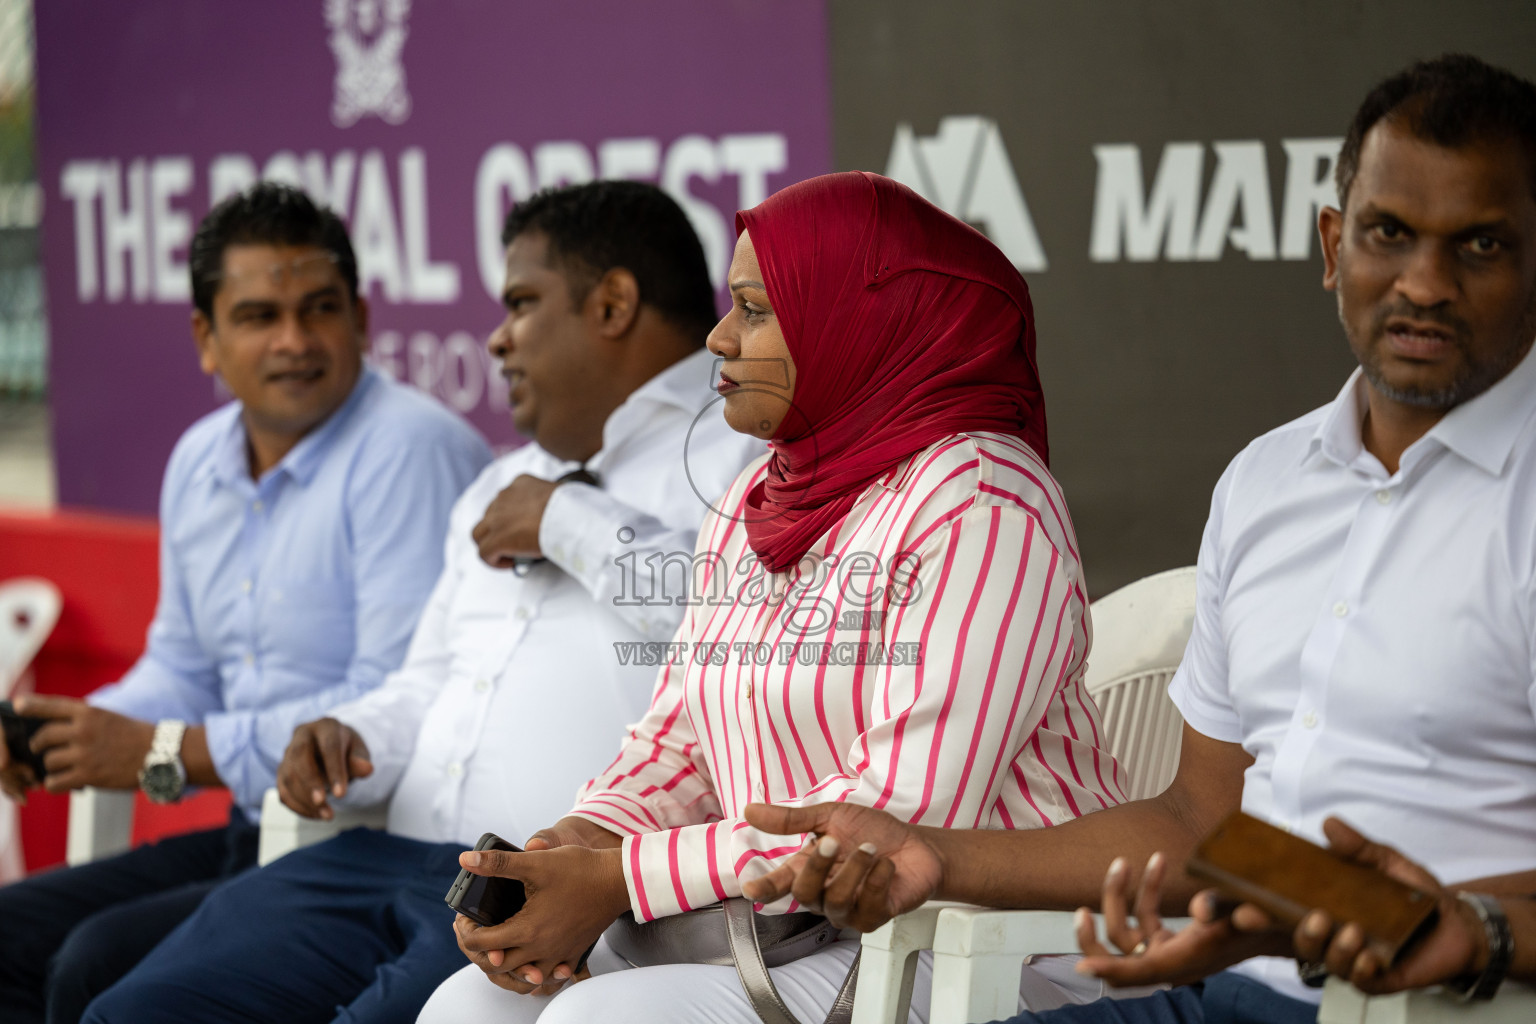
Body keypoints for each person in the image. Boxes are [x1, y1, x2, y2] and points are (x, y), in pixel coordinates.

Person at [741, 53, 1536, 1024]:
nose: (1426, 281)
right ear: (1334, 246)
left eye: (1482, 246)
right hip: (1238, 991)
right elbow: (1199, 822)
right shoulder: (1267, 482)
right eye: (1389, 233)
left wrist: (1472, 927)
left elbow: (1416, 918)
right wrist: (936, 853)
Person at [417, 170, 1124, 1024]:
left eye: (754, 309)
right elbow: (678, 745)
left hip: (996, 953)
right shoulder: (762, 497)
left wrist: (619, 878)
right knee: (468, 1008)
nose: (719, 337)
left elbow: (894, 822)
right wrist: (584, 840)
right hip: (799, 937)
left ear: (856, 321)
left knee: (596, 1021)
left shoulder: (981, 498)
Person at [79, 180, 765, 1024]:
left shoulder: (741, 454)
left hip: (546, 886)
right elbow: (427, 680)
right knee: (137, 1008)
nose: (498, 338)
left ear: (614, 303)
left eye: (520, 303)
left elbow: (744, 623)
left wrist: (567, 520)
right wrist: (354, 734)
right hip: (382, 855)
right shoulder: (496, 479)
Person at [0, 183, 491, 1024]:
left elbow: (392, 709)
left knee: (90, 964)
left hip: (365, 848)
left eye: (320, 310)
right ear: (207, 338)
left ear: (362, 320)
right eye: (261, 315)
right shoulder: (199, 458)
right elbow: (183, 665)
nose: (294, 342)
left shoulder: (408, 449)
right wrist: (70, 732)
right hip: (248, 831)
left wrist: (163, 751)